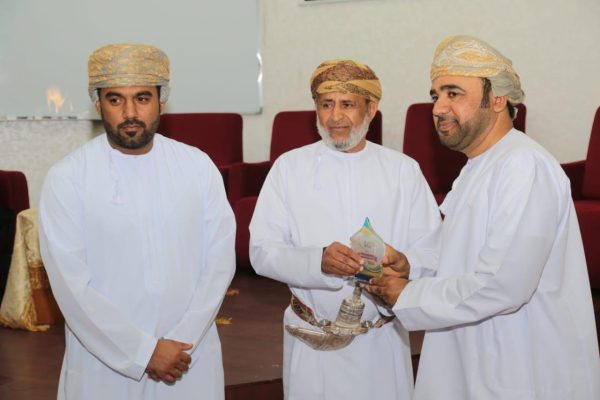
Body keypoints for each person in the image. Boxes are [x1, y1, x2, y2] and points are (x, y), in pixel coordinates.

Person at [365, 35, 600, 399]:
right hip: (476, 351)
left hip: (517, 362)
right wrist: (411, 265)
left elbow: (503, 284)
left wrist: (409, 295)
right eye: (436, 95)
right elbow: (459, 253)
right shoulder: (478, 167)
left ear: (498, 99)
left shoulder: (523, 166)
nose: (438, 108)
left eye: (453, 93)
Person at [38, 43, 236, 400]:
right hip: (104, 365)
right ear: (97, 104)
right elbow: (71, 287)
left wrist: (181, 340)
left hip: (187, 357)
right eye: (115, 99)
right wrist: (143, 352)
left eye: (142, 98)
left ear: (162, 101)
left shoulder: (197, 167)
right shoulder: (68, 178)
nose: (130, 112)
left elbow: (219, 262)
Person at [249, 59, 441, 400]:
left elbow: (435, 252)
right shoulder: (289, 169)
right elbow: (262, 251)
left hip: (381, 346)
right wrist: (317, 261)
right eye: (326, 104)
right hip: (314, 345)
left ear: (371, 109)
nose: (335, 116)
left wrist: (405, 264)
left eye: (347, 104)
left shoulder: (403, 172)